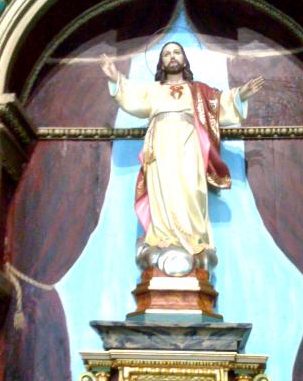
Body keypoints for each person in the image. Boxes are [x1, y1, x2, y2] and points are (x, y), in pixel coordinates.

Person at [101, 42, 263, 257]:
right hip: (160, 145)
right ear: (161, 63)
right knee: (162, 190)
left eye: (177, 52)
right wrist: (116, 79)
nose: (172, 56)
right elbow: (132, 97)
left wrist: (240, 95)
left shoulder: (198, 92)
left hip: (190, 145)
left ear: (184, 60)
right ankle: (164, 240)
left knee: (191, 189)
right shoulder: (153, 90)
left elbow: (219, 104)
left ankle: (195, 242)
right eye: (167, 54)